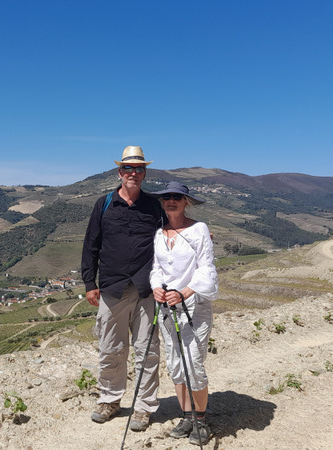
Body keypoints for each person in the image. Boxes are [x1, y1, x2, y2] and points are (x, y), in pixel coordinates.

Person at [81, 145, 165, 432]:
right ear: (120, 172)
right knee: (110, 349)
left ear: (144, 173)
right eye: (128, 168)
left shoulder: (155, 205)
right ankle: (109, 400)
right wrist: (89, 283)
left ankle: (143, 408)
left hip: (145, 289)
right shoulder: (103, 204)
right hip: (112, 288)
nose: (133, 173)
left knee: (147, 350)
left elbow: (172, 233)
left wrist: (198, 232)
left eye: (139, 169)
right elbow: (91, 244)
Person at [148, 181, 218, 446]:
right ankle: (187, 415)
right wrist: (156, 287)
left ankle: (200, 420)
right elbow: (156, 268)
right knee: (176, 363)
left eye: (177, 197)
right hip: (167, 309)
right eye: (167, 197)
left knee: (192, 362)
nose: (171, 201)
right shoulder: (159, 232)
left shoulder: (199, 230)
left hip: (194, 308)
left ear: (186, 201)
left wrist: (186, 291)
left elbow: (206, 268)